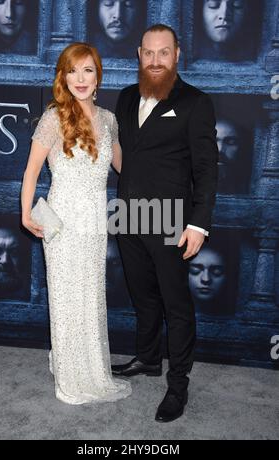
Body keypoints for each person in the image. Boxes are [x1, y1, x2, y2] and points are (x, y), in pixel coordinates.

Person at [112, 24, 219, 422]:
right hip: (128, 214)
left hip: (172, 218)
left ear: (177, 56)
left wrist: (198, 224)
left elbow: (207, 170)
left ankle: (178, 385)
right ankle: (147, 358)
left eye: (164, 53)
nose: (155, 61)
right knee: (142, 295)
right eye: (149, 53)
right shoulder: (124, 98)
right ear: (139, 55)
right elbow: (123, 153)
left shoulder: (195, 102)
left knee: (176, 305)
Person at [21, 42, 131, 405]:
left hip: (95, 223)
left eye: (88, 70)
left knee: (90, 297)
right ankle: (70, 373)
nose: (80, 79)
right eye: (72, 71)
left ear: (98, 75)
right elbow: (31, 172)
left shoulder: (110, 120)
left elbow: (124, 169)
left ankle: (91, 367)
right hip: (63, 222)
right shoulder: (54, 117)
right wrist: (25, 213)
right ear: (62, 76)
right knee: (66, 297)